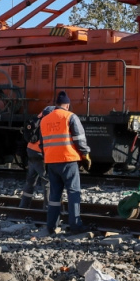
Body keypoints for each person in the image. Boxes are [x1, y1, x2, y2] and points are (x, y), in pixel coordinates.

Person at [40, 91, 91, 234]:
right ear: (67, 105)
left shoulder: (44, 120)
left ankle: (51, 225)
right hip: (68, 160)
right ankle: (75, 226)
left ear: (56, 104)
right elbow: (79, 139)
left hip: (51, 162)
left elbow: (42, 144)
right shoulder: (70, 117)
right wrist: (85, 154)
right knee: (73, 192)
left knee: (54, 195)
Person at [18, 106, 52, 208]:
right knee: (47, 181)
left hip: (31, 152)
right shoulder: (47, 122)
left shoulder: (36, 121)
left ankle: (23, 206)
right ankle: (48, 208)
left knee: (30, 181)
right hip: (40, 154)